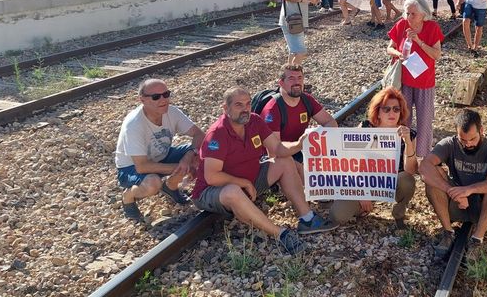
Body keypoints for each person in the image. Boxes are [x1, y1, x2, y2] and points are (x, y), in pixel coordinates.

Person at [191, 88, 337, 255]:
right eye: (239, 105)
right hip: (212, 191)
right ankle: (280, 234)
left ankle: (308, 219)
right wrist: (243, 183)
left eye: (248, 104)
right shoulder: (217, 134)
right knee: (233, 191)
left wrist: (298, 144)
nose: (245, 109)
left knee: (285, 161)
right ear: (225, 108)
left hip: (248, 181)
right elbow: (212, 177)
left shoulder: (254, 121)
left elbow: (278, 148)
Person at [420, 109, 487, 259]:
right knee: (433, 176)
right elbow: (424, 167)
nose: (468, 144)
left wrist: (468, 190)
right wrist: (453, 191)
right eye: (463, 140)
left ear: (481, 130)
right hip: (457, 203)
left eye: (472, 139)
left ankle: (477, 239)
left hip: (483, 208)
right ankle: (448, 232)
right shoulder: (449, 144)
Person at [115, 79, 204, 222]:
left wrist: (188, 157)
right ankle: (128, 197)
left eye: (166, 94)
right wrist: (179, 167)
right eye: (156, 97)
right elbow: (142, 166)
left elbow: (200, 135)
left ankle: (171, 186)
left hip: (161, 156)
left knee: (201, 153)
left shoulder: (172, 112)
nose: (163, 99)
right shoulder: (134, 125)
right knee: (153, 184)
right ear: (142, 100)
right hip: (130, 168)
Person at [328, 87, 418, 228]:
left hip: (391, 184)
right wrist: (362, 192)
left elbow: (410, 171)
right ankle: (360, 209)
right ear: (378, 111)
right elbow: (350, 162)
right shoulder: (365, 128)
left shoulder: (408, 134)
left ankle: (399, 215)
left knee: (407, 180)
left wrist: (407, 143)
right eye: (386, 109)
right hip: (364, 182)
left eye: (396, 109)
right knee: (338, 216)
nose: (391, 113)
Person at [387, 0, 443, 157]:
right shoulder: (401, 24)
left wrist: (418, 41)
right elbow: (389, 48)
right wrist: (398, 54)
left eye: (413, 14)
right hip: (404, 81)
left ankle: (423, 156)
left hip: (424, 82)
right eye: (407, 13)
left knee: (424, 122)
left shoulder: (432, 27)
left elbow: (436, 55)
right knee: (404, 120)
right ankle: (404, 154)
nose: (409, 17)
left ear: (424, 15)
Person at [259, 64, 339, 177]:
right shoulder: (272, 109)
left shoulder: (306, 100)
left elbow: (330, 123)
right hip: (277, 156)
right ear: (281, 83)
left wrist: (318, 137)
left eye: (300, 78)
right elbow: (274, 151)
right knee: (308, 175)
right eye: (291, 78)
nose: (297, 82)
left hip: (298, 149)